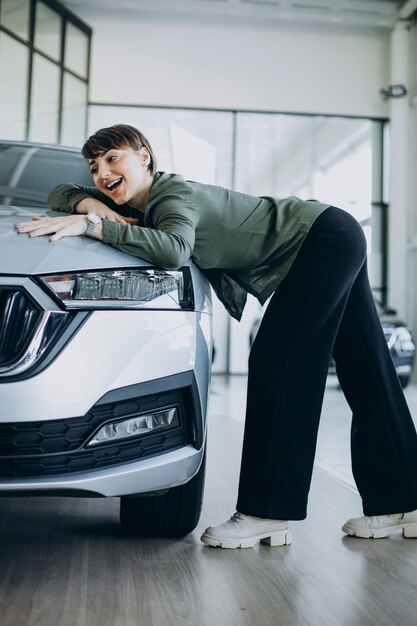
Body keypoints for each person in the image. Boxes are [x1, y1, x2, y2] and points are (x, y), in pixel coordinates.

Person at [14, 124, 417, 549]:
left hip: (322, 240)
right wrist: (87, 201)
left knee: (279, 364)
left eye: (113, 159)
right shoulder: (139, 203)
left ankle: (266, 513)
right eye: (94, 167)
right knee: (366, 367)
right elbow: (59, 190)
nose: (102, 173)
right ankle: (403, 501)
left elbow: (172, 249)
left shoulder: (171, 196)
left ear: (145, 157)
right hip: (333, 232)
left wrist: (93, 225)